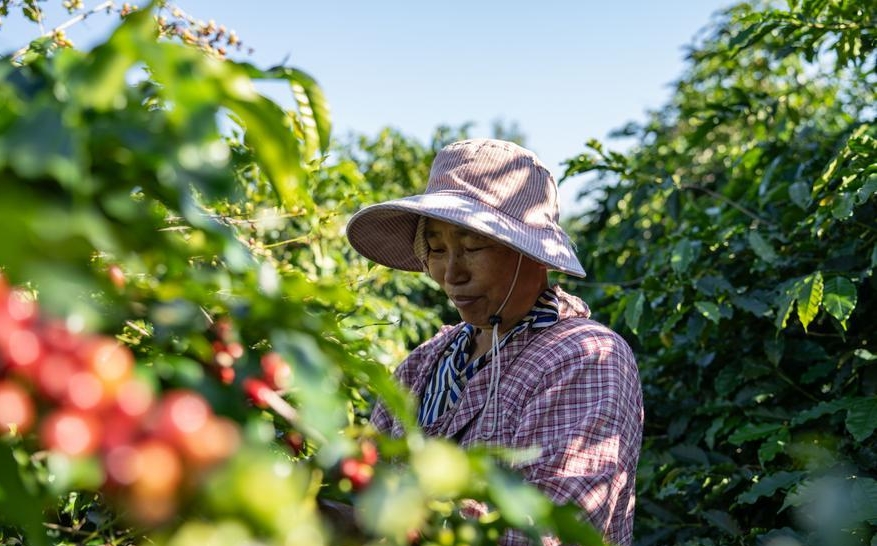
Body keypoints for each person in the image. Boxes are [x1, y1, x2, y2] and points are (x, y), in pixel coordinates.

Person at [346, 138, 643, 546]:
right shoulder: (424, 364)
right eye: (435, 247)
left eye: (473, 246)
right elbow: (366, 481)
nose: (451, 273)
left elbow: (555, 529)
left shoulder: (585, 358)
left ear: (531, 253)